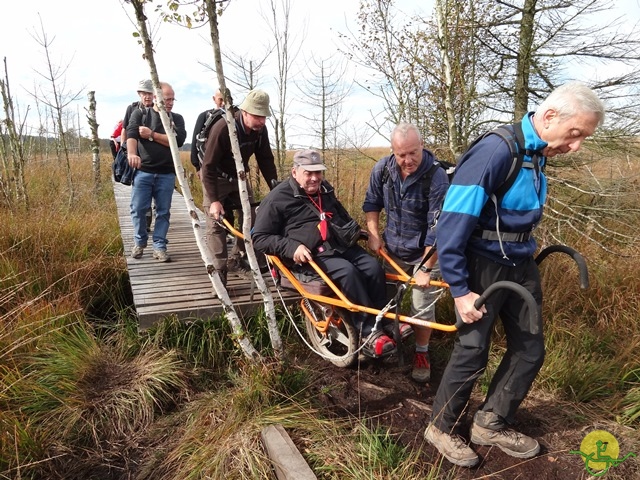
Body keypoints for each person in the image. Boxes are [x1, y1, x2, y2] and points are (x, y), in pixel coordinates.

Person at [424, 82, 605, 467]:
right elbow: (452, 225)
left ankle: (490, 422)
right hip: (482, 267)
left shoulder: (537, 153)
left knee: (530, 349)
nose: (576, 146)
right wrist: (459, 289)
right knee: (472, 352)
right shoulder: (495, 150)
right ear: (550, 116)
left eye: (583, 138)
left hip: (519, 263)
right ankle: (441, 427)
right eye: (575, 135)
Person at [252, 149, 396, 357]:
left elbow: (340, 213)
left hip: (338, 245)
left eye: (318, 172)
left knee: (373, 268)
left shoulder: (325, 189)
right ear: (295, 172)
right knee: (349, 273)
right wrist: (293, 248)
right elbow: (260, 237)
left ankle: (385, 322)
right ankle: (367, 332)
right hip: (311, 254)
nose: (314, 178)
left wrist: (354, 229)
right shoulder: (276, 199)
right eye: (308, 173)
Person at [363, 122, 449, 383]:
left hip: (427, 252)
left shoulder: (437, 177)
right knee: (387, 301)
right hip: (393, 249)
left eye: (413, 152)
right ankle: (388, 341)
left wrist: (425, 268)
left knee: (421, 306)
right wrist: (374, 233)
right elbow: (372, 203)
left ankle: (421, 353)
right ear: (393, 151)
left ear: (422, 146)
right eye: (401, 154)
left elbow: (439, 228)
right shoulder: (383, 169)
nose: (407, 160)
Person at [200, 89, 278, 284]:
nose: (262, 121)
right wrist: (215, 201)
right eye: (257, 116)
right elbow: (207, 166)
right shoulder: (223, 128)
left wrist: (275, 187)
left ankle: (236, 259)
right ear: (244, 112)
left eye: (264, 116)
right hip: (215, 177)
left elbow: (266, 159)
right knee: (216, 224)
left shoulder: (260, 131)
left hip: (239, 179)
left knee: (251, 218)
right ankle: (219, 277)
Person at [126, 82, 187, 263]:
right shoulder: (141, 113)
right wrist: (131, 153)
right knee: (138, 209)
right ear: (156, 98)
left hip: (166, 173)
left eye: (172, 99)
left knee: (163, 211)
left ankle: (159, 246)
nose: (170, 102)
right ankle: (140, 241)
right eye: (166, 99)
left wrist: (151, 135)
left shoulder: (177, 118)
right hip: (143, 171)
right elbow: (131, 134)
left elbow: (177, 141)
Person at [122, 79, 156, 232]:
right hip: (138, 158)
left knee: (157, 192)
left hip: (156, 158)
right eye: (144, 93)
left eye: (150, 93)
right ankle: (146, 222)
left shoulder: (159, 109)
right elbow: (126, 129)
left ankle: (154, 216)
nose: (147, 96)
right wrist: (125, 150)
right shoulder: (132, 108)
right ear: (139, 94)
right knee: (142, 194)